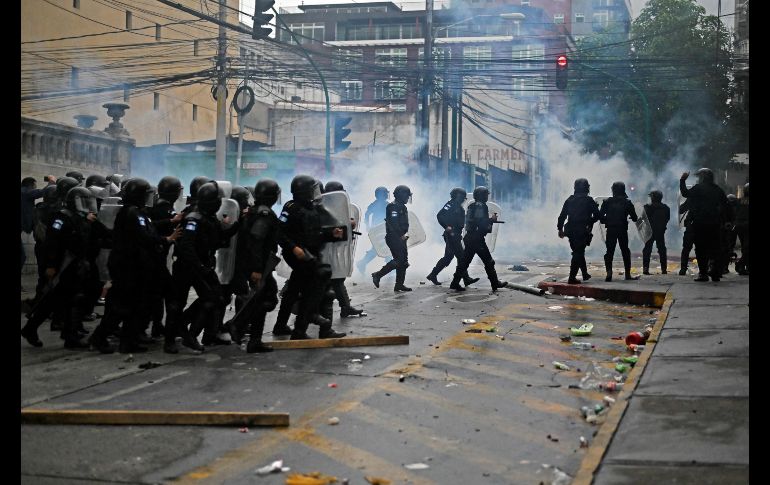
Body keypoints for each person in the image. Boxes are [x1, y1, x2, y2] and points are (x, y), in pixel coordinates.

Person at [22, 187, 106, 349]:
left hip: (75, 265)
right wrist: (52, 265)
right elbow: (52, 243)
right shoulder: (61, 217)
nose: (87, 205)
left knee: (65, 300)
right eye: (83, 201)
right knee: (60, 299)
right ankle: (61, 334)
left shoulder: (80, 217)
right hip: (63, 265)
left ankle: (64, 334)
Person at [276, 175, 347, 340]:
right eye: (313, 189)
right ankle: (309, 328)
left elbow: (314, 235)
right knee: (322, 289)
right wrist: (294, 248)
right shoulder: (291, 208)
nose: (317, 192)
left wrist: (331, 234)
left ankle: (282, 326)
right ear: (305, 191)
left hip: (310, 253)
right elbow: (279, 232)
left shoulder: (312, 208)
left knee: (293, 290)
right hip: (300, 256)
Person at [228, 179, 282, 352]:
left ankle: (252, 339)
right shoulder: (264, 214)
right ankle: (238, 325)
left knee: (263, 299)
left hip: (255, 264)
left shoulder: (254, 211)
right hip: (257, 266)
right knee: (267, 298)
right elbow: (257, 240)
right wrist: (257, 269)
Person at [450, 186, 508, 291]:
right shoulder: (481, 206)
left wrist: (489, 221)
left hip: (470, 237)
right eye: (486, 194)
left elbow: (474, 221)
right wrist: (491, 220)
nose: (487, 197)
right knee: (489, 262)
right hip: (477, 239)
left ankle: (454, 282)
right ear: (481, 195)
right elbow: (480, 222)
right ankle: (495, 283)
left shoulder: (472, 206)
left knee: (464, 262)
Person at [679, 168, 729, 282]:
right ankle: (716, 273)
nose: (698, 179)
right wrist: (725, 221)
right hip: (714, 224)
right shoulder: (718, 190)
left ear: (703, 177)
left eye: (699, 177)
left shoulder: (698, 188)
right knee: (715, 249)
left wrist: (682, 180)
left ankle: (703, 274)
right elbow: (725, 206)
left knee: (701, 249)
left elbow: (685, 193)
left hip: (700, 223)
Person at [426, 187, 479, 288]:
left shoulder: (458, 206)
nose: (464, 199)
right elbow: (440, 215)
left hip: (456, 235)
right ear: (458, 196)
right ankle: (463, 279)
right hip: (451, 235)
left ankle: (433, 275)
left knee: (448, 258)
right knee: (462, 257)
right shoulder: (450, 204)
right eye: (463, 197)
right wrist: (446, 226)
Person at [557, 178, 600, 284]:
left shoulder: (569, 200)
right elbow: (597, 215)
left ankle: (584, 274)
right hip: (582, 230)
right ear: (586, 188)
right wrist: (590, 221)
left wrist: (560, 229)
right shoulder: (589, 200)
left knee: (578, 251)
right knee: (578, 252)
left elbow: (562, 216)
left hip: (571, 230)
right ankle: (572, 278)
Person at [371, 185, 413, 292]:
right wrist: (401, 235)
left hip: (400, 237)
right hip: (394, 237)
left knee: (403, 262)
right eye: (407, 196)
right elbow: (394, 223)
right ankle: (377, 275)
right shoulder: (393, 206)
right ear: (401, 195)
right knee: (399, 260)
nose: (408, 198)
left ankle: (399, 285)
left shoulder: (402, 206)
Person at [600, 182, 640, 282]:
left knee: (609, 251)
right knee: (625, 251)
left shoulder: (607, 202)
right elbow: (635, 218)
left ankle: (609, 274)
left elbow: (600, 217)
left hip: (611, 229)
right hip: (622, 229)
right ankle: (627, 274)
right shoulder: (627, 202)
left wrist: (608, 220)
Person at [356, 186, 390, 275]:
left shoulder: (376, 204)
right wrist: (368, 226)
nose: (387, 195)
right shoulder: (380, 204)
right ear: (381, 195)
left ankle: (362, 263)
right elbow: (367, 215)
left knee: (377, 249)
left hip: (381, 229)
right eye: (385, 193)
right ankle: (390, 268)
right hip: (380, 230)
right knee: (386, 247)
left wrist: (369, 226)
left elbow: (367, 215)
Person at [642, 190, 670, 275]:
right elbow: (667, 219)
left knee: (647, 250)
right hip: (660, 232)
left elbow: (643, 219)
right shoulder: (666, 208)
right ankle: (664, 269)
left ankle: (646, 269)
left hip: (649, 231)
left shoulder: (648, 207)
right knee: (662, 250)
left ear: (653, 198)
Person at [734, 183, 749, 275]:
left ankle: (743, 266)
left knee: (745, 247)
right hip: (746, 226)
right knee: (747, 248)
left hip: (740, 226)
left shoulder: (739, 201)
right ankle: (741, 265)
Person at [678, 198, 695, 275]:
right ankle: (704, 270)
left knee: (686, 249)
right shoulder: (709, 197)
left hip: (692, 227)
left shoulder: (693, 197)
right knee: (704, 249)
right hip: (704, 227)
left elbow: (681, 209)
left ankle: (683, 268)